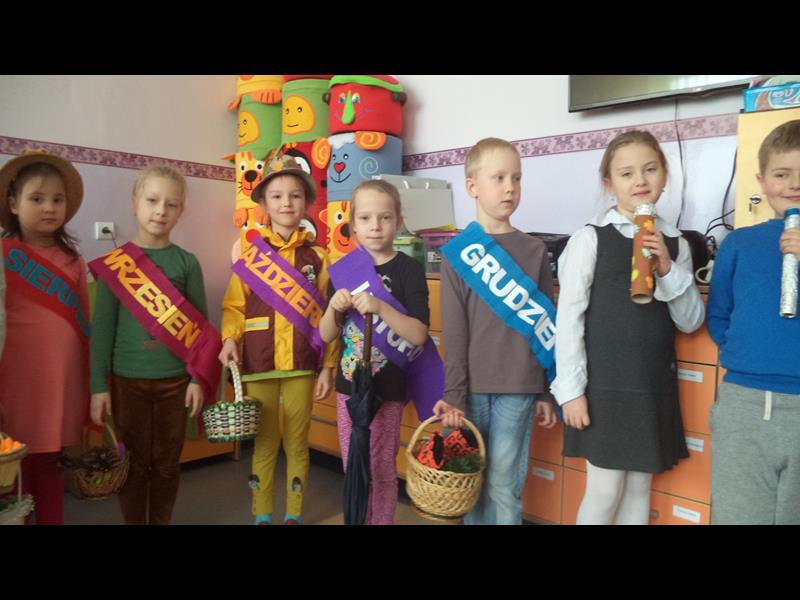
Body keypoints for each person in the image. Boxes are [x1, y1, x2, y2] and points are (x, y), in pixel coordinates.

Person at [552, 130, 705, 525]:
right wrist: (571, 391)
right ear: (609, 183)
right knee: (603, 491)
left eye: (650, 169)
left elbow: (690, 321)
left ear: (664, 174)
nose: (640, 180)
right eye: (626, 173)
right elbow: (568, 319)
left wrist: (667, 267)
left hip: (650, 385)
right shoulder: (590, 239)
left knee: (639, 489)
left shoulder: (677, 243)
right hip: (604, 387)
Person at [438, 137, 559, 525]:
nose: (510, 188)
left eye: (517, 178)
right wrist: (454, 395)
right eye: (499, 178)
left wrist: (545, 391)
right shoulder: (457, 253)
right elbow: (455, 333)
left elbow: (546, 327)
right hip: (471, 390)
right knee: (471, 482)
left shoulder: (535, 251)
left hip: (519, 386)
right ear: (472, 186)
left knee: (504, 486)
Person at [90, 165, 216, 525]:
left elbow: (201, 333)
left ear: (180, 211)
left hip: (175, 383)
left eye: (171, 204)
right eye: (152, 200)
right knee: (131, 464)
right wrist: (98, 387)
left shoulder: (187, 263)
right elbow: (102, 332)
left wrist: (197, 379)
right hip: (126, 382)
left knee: (166, 464)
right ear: (135, 203)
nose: (161, 210)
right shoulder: (117, 265)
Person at [320, 179, 451, 524]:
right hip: (349, 389)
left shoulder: (409, 269)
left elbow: (418, 335)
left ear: (398, 220)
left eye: (385, 217)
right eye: (365, 218)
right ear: (352, 224)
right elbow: (325, 334)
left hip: (388, 391)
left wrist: (381, 307)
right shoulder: (343, 271)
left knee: (380, 469)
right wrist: (333, 307)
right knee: (354, 466)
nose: (375, 226)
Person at [219, 156, 337, 525]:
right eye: (276, 196)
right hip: (259, 362)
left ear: (307, 203)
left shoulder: (319, 257)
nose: (286, 203)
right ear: (264, 204)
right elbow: (234, 306)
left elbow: (329, 315)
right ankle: (263, 514)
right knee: (265, 443)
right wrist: (229, 338)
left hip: (302, 363)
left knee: (297, 443)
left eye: (295, 195)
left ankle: (293, 515)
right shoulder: (252, 257)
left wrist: (328, 366)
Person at [707, 119, 800, 524]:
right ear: (762, 180)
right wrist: (746, 354)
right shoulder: (739, 243)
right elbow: (719, 314)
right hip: (743, 405)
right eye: (782, 174)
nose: (794, 184)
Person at [0, 149, 90, 524]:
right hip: (14, 380)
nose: (49, 208)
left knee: (51, 463)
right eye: (37, 199)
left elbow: (85, 325)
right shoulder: (4, 253)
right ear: (13, 204)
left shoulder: (74, 260)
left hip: (60, 383)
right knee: (11, 468)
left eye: (57, 199)